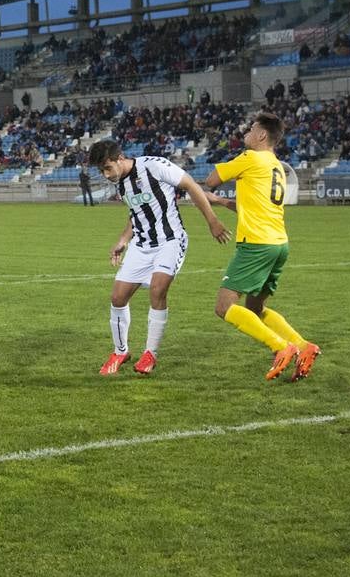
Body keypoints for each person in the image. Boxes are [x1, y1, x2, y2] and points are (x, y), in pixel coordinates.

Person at [88, 140, 231, 375]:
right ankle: (120, 351)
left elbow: (191, 186)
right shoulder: (121, 184)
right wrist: (123, 241)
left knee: (157, 290)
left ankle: (149, 355)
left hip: (170, 241)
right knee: (117, 297)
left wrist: (212, 221)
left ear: (120, 158)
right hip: (141, 245)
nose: (105, 175)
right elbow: (137, 215)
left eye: (107, 168)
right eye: (101, 171)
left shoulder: (154, 166)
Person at [205, 113, 322, 381]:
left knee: (224, 307)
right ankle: (304, 347)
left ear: (260, 136)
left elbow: (211, 180)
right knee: (255, 308)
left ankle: (281, 347)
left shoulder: (250, 158)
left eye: (251, 129)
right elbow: (255, 206)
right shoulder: (276, 165)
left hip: (256, 245)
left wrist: (219, 186)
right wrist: (223, 203)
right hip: (279, 244)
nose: (246, 132)